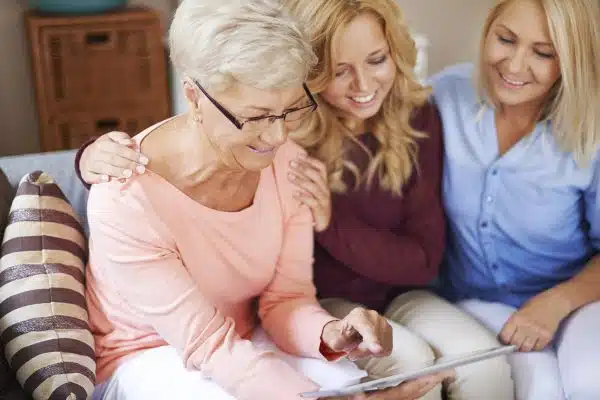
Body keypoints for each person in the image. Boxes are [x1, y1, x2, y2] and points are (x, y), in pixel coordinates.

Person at [78, 1, 514, 399]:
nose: (278, 136)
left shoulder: (286, 162)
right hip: (148, 355)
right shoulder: (125, 195)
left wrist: (333, 332)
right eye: (255, 118)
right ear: (194, 96)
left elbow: (285, 300)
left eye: (289, 111)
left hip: (245, 339)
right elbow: (206, 344)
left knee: (368, 382)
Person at [429, 0, 600, 398]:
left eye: (543, 53)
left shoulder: (590, 134)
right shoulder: (444, 96)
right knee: (535, 389)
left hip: (576, 301)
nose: (515, 65)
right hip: (475, 303)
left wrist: (556, 303)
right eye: (506, 39)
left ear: (570, 62)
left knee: (590, 383)